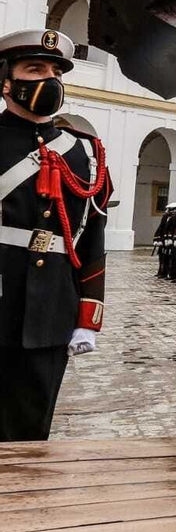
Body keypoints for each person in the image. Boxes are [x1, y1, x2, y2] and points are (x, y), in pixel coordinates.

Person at [0, 29, 112, 441]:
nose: (48, 79)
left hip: (50, 311)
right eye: (34, 68)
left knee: (31, 435)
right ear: (6, 81)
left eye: (55, 71)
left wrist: (89, 315)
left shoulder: (85, 151)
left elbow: (91, 237)